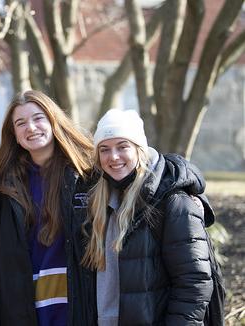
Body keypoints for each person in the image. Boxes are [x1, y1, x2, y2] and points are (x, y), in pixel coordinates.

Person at [81, 108, 214, 325]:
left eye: (122, 146)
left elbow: (194, 283)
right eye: (104, 149)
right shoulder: (99, 201)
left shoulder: (173, 201)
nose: (113, 157)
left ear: (139, 150)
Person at [0, 90, 96, 326]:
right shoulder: (1, 185)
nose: (31, 128)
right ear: (14, 134)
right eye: (21, 123)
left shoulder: (87, 174)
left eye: (38, 118)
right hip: (29, 305)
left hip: (80, 301)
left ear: (53, 121)